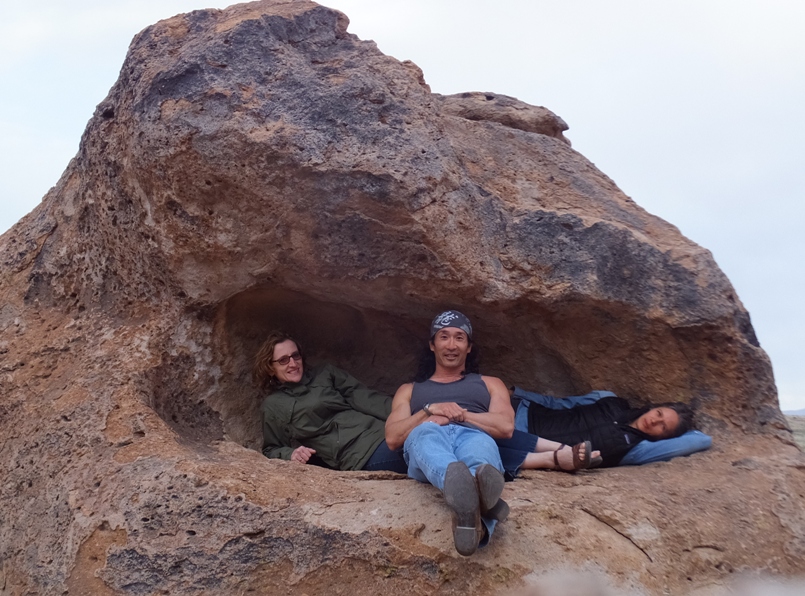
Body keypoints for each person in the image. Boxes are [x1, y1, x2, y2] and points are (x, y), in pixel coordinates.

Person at [385, 310, 526, 556]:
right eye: (444, 337)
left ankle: (470, 512)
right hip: (428, 440)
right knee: (426, 434)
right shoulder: (409, 390)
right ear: (432, 345)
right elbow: (393, 438)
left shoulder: (490, 383)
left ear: (469, 347)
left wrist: (459, 414)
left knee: (479, 453)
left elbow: (505, 427)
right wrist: (428, 412)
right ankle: (478, 497)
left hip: (473, 434)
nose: (452, 345)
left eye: (460, 337)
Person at [253, 330, 407, 473]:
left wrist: (408, 416)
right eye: (283, 360)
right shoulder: (273, 405)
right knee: (417, 451)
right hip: (358, 454)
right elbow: (271, 449)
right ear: (270, 368)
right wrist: (291, 453)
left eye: (296, 356)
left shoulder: (325, 373)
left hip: (381, 432)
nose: (293, 364)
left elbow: (367, 399)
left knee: (422, 438)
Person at [497, 388, 711, 474]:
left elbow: (701, 440)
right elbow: (558, 403)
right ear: (655, 407)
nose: (655, 421)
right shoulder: (609, 399)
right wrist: (515, 393)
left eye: (663, 427)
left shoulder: (635, 449)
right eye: (660, 413)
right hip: (523, 411)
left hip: (525, 443)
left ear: (665, 438)